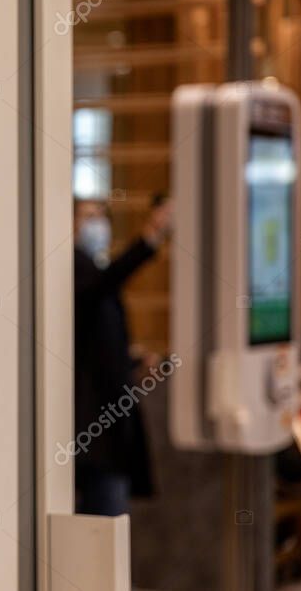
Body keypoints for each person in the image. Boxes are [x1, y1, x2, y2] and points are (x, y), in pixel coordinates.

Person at [73, 196, 171, 516]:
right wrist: (150, 237)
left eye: (101, 216)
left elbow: (94, 341)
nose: (96, 224)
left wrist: (132, 361)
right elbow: (106, 281)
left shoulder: (91, 272)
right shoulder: (73, 266)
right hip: (94, 433)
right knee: (101, 531)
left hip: (111, 427)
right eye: (88, 216)